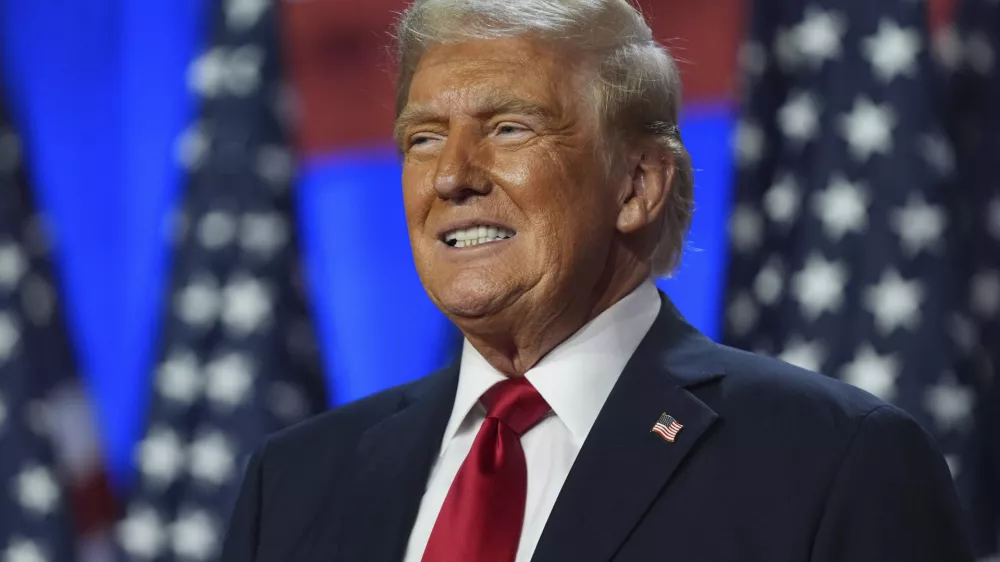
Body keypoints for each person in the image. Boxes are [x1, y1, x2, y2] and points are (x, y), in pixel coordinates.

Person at [220, 0, 976, 560]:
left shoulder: (834, 464)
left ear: (637, 185)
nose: (450, 176)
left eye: (508, 127)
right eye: (422, 139)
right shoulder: (291, 485)